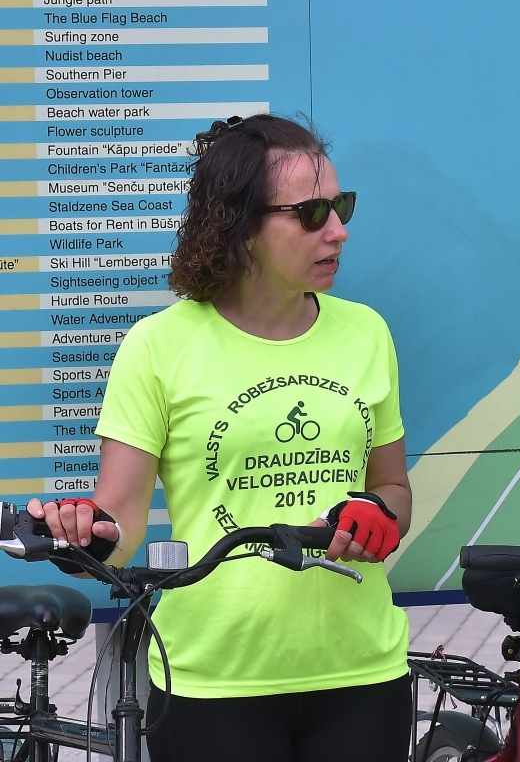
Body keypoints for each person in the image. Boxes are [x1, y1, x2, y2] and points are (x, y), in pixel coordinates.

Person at [27, 115, 413, 762]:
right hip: (211, 683)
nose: (339, 231)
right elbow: (121, 520)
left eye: (341, 206)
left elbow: (393, 487)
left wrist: (378, 515)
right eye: (312, 213)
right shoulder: (159, 347)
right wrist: (83, 534)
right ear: (240, 228)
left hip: (362, 674)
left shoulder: (367, 333)